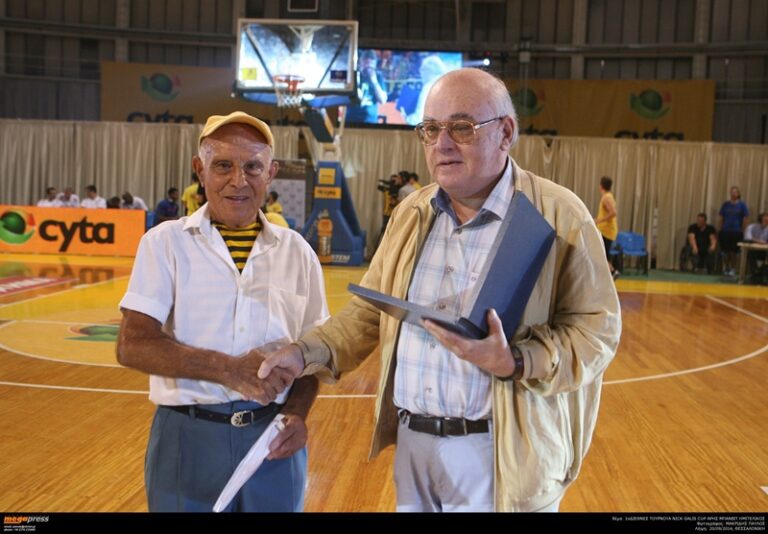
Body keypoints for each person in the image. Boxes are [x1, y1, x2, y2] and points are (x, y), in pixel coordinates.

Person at [259, 69, 621, 512]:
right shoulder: (411, 211)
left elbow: (596, 332)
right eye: (431, 129)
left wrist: (516, 360)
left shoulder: (560, 215)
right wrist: (305, 353)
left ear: (506, 133)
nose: (442, 144)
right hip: (414, 447)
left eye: (461, 127)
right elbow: (370, 311)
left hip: (501, 450)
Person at [116, 111, 328, 512]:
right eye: (223, 166)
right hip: (187, 438)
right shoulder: (164, 243)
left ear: (271, 173)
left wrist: (297, 414)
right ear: (200, 170)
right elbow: (132, 345)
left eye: (253, 167)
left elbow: (315, 355)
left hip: (274, 438)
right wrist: (228, 369)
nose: (238, 180)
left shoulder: (298, 252)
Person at [347, 50, 388, 124]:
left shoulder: (378, 77)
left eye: (371, 64)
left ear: (374, 65)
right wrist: (356, 85)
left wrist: (374, 82)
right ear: (360, 63)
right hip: (352, 119)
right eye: (366, 63)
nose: (368, 67)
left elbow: (382, 100)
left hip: (370, 120)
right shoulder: (354, 76)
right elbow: (351, 98)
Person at [718, 186, 749, 276]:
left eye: (735, 192)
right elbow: (721, 217)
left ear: (738, 194)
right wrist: (720, 229)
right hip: (725, 231)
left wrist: (743, 230)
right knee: (726, 251)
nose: (733, 193)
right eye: (732, 192)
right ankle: (726, 268)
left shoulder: (742, 205)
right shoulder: (725, 204)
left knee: (734, 252)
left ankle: (733, 268)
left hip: (736, 231)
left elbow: (746, 218)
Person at [595, 176, 619, 279]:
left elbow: (613, 212)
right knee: (602, 253)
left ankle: (612, 272)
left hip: (606, 231)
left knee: (602, 253)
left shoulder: (606, 198)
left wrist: (599, 220)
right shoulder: (609, 196)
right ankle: (611, 272)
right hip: (607, 230)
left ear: (601, 186)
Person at [743, 212, 768, 276]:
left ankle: (761, 274)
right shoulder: (751, 227)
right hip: (753, 249)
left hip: (765, 250)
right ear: (760, 220)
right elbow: (748, 238)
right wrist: (759, 241)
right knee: (751, 254)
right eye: (765, 220)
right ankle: (754, 273)